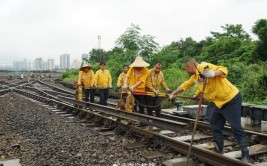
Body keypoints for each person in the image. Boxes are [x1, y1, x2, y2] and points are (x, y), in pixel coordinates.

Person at [169, 58, 249, 163]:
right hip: (218, 102)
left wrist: (213, 73)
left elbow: (223, 69)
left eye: (186, 69)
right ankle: (218, 150)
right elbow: (185, 85)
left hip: (230, 100)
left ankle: (245, 155)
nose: (186, 72)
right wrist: (174, 93)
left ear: (189, 67)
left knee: (236, 127)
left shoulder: (203, 67)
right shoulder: (196, 77)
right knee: (215, 124)